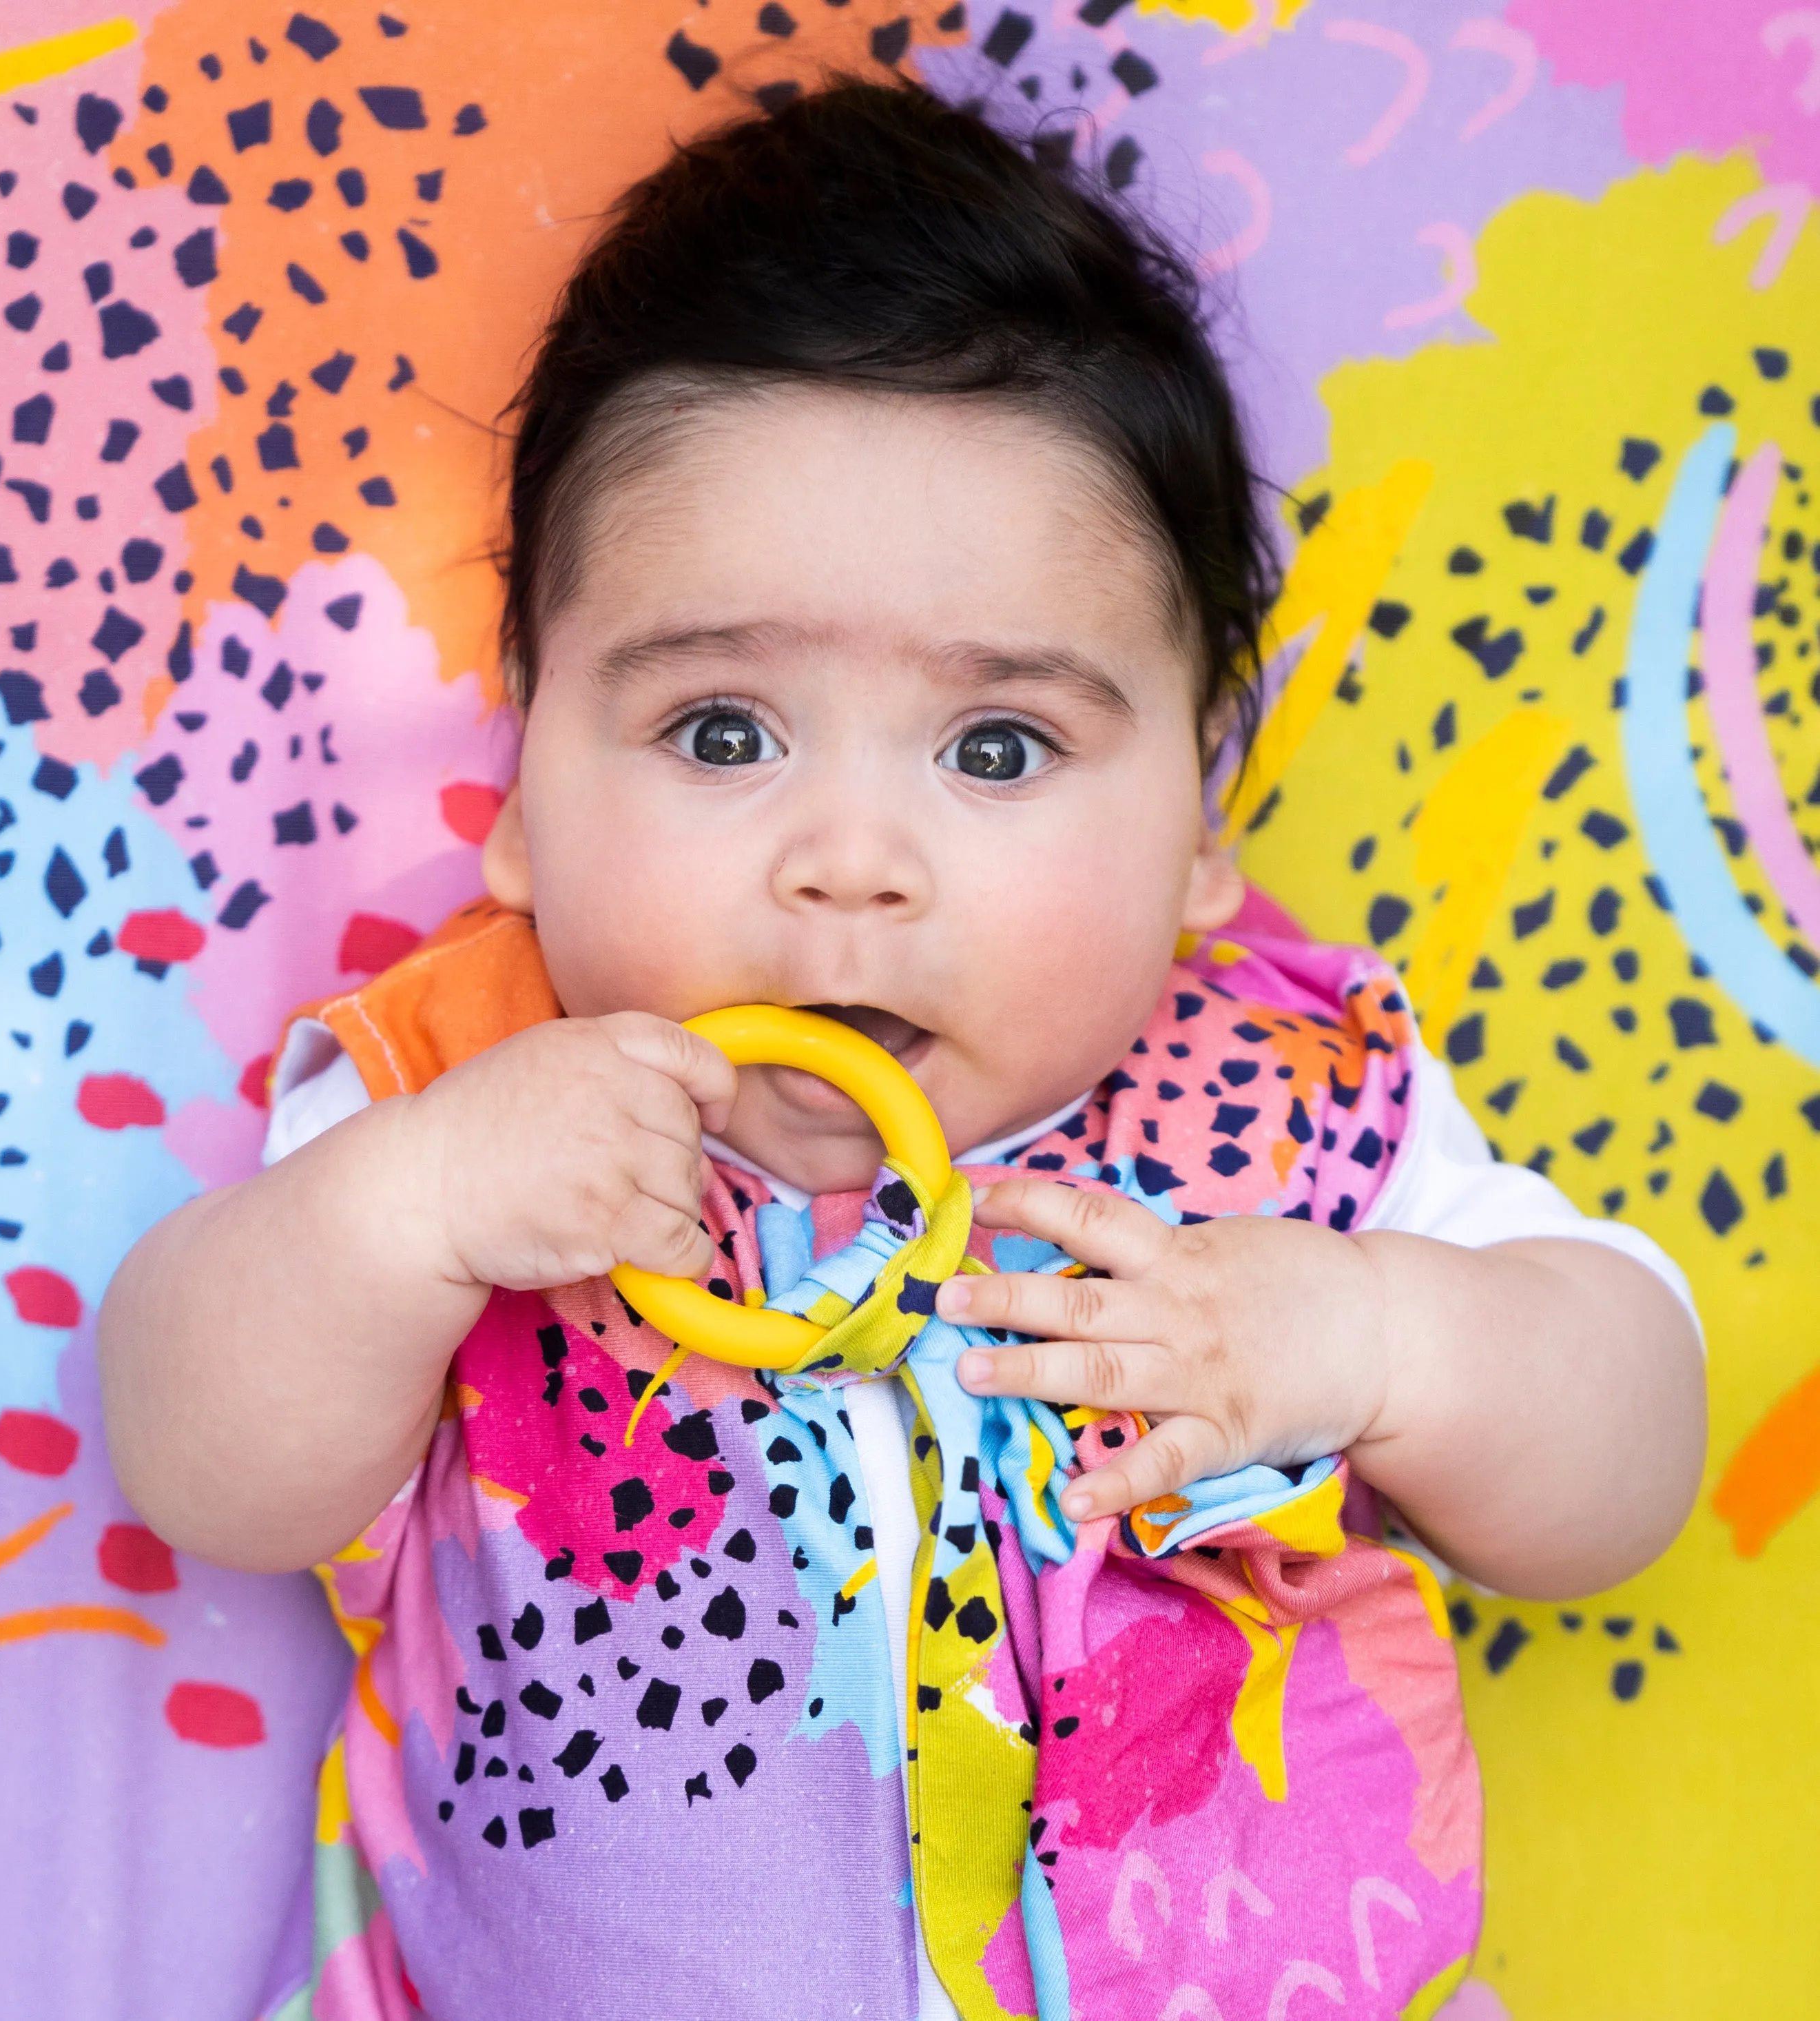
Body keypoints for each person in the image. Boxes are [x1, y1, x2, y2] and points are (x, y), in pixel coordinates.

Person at [99, 80, 1704, 2021]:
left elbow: (1621, 1465)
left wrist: (1378, 1334)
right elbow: (208, 1464)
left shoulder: (1293, 1105)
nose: (849, 864)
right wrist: (398, 1219)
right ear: (522, 785)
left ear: (1200, 833)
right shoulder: (464, 1090)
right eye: (718, 732)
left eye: (996, 749)